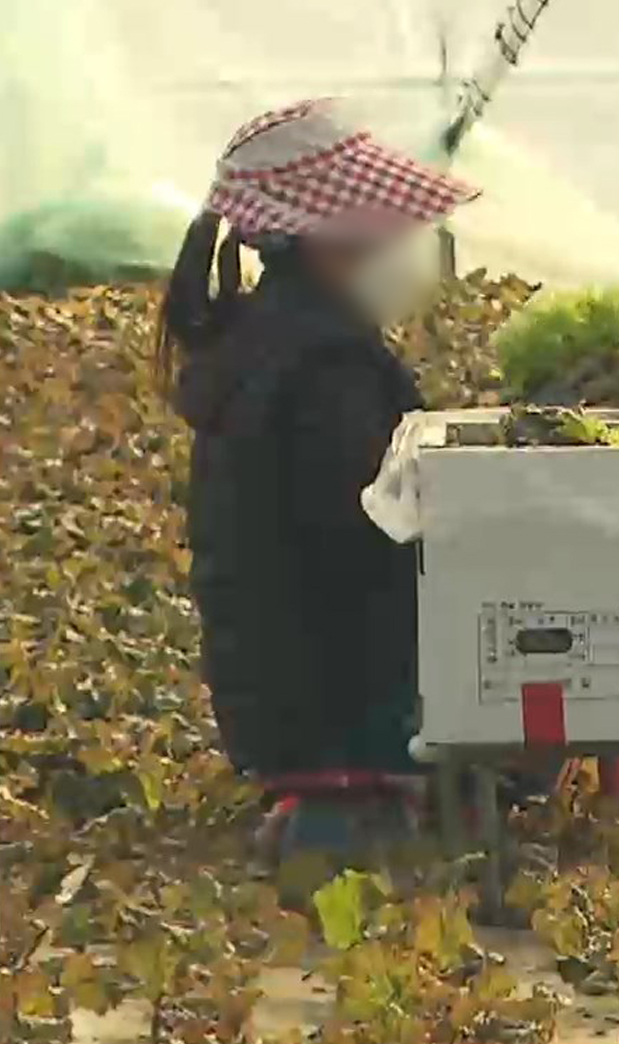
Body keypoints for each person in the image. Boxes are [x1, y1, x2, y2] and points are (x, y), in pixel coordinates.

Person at [157, 99, 478, 853]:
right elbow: (373, 542)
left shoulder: (271, 337)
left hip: (277, 703)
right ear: (325, 243)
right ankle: (362, 786)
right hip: (335, 712)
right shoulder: (323, 368)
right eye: (389, 231)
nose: (409, 248)